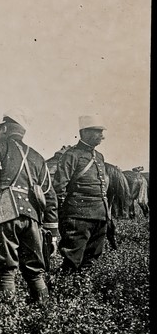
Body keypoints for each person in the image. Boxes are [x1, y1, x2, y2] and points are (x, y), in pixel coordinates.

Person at [0, 109, 59, 304]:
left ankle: (9, 319)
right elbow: (49, 194)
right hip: (32, 218)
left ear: (5, 128)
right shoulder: (38, 156)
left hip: (5, 213)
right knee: (35, 272)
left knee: (6, 270)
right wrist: (53, 231)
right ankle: (44, 314)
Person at [52, 114, 109, 279]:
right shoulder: (71, 155)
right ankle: (63, 292)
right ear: (84, 132)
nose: (102, 136)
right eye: (97, 132)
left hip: (99, 215)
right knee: (72, 260)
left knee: (92, 259)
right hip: (78, 217)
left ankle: (82, 291)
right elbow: (59, 187)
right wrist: (66, 213)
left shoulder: (99, 157)